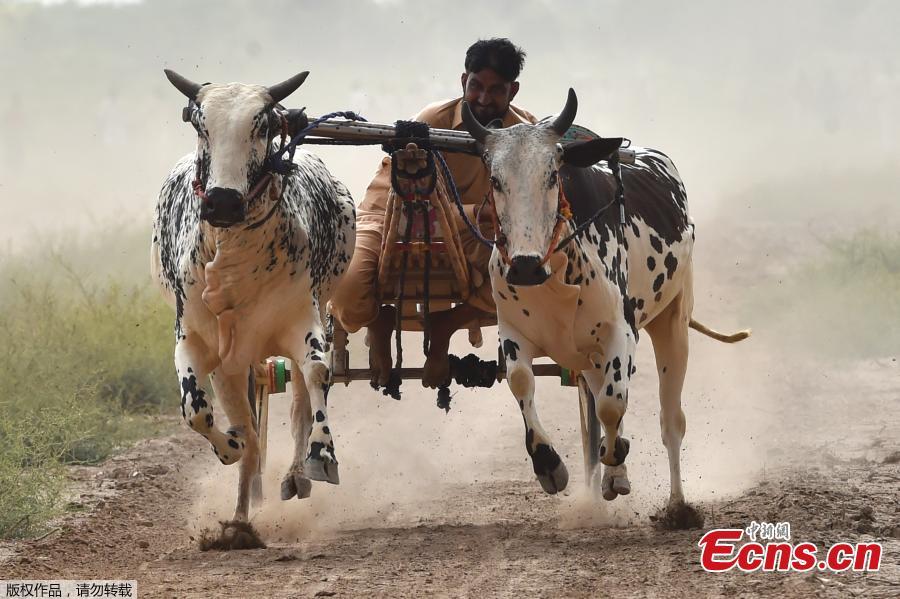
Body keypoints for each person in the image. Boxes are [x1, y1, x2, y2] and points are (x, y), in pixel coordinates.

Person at [330, 38, 537, 388]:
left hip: (475, 231)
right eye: (476, 86)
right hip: (390, 216)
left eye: (496, 90)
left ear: (513, 91)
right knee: (347, 293)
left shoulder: (526, 132)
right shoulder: (431, 122)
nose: (483, 99)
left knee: (524, 282)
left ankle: (444, 328)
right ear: (463, 81)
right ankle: (379, 322)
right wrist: (479, 212)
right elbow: (415, 208)